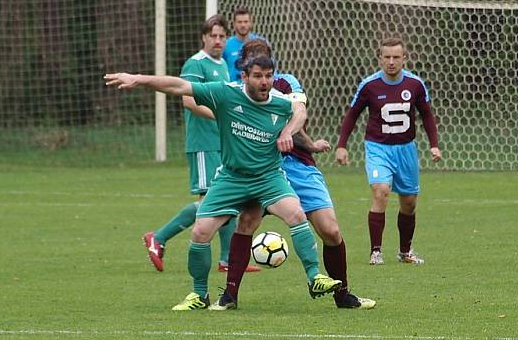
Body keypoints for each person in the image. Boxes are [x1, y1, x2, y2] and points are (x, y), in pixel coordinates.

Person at [105, 55, 343, 310]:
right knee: (200, 232)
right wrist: (138, 79)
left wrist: (288, 132)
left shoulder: (280, 103)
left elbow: (299, 112)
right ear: (244, 77)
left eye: (268, 76)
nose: (264, 82)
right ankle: (199, 295)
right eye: (258, 76)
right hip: (232, 178)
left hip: (268, 177)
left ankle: (314, 276)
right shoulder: (225, 94)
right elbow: (178, 86)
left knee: (296, 214)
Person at [209, 38, 376, 311]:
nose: (261, 68)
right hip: (260, 171)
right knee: (247, 221)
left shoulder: (287, 85)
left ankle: (342, 294)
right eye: (253, 59)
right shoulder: (235, 91)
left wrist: (306, 143)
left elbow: (298, 115)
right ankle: (229, 296)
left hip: (298, 166)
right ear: (244, 66)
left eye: (265, 58)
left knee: (331, 230)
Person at [140, 15, 260, 274]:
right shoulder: (196, 64)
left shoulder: (222, 66)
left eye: (221, 36)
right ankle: (158, 238)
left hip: (221, 143)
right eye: (213, 36)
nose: (218, 41)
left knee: (228, 199)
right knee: (210, 202)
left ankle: (227, 259)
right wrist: (223, 116)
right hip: (202, 144)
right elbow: (189, 101)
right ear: (203, 37)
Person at [335, 37, 442, 266]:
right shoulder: (369, 85)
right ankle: (376, 252)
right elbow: (352, 115)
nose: (391, 62)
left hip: (406, 150)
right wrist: (342, 145)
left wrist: (434, 144)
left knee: (409, 202)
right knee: (381, 191)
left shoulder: (415, 84)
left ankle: (405, 252)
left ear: (405, 58)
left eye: (396, 57)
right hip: (378, 149)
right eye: (387, 57)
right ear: (379, 58)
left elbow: (427, 115)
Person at [223, 7, 261, 82]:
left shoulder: (260, 44)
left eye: (245, 22)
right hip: (233, 89)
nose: (243, 25)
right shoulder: (226, 45)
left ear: (251, 23)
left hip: (254, 90)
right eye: (239, 22)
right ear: (234, 24)